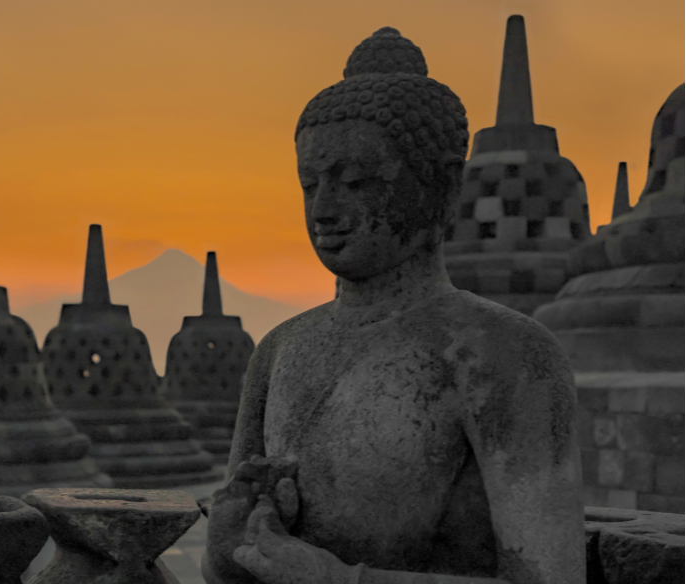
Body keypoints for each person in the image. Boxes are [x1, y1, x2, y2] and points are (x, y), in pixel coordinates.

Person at [201, 27, 586, 584]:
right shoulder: (280, 350)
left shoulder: (505, 356)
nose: (324, 209)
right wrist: (227, 543)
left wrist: (339, 580)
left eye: (357, 182)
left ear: (443, 188)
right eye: (309, 185)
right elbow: (229, 571)